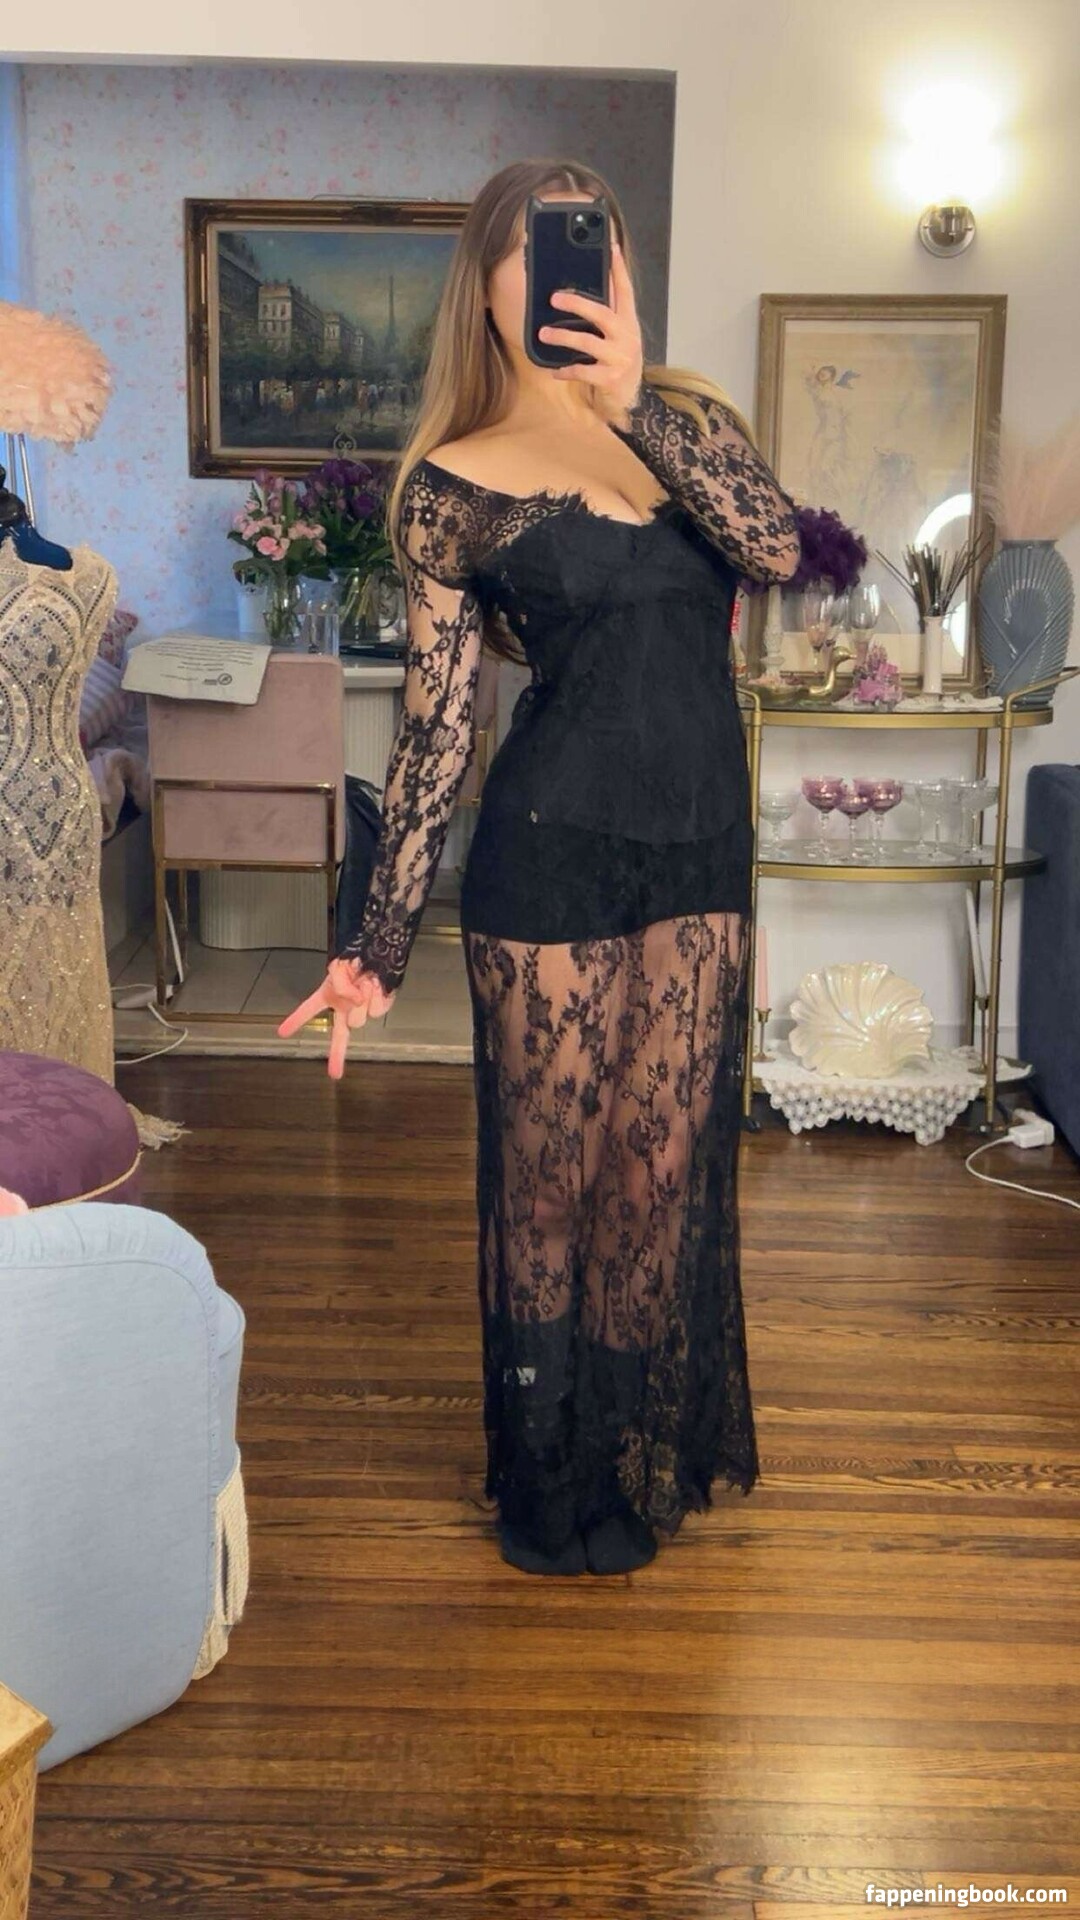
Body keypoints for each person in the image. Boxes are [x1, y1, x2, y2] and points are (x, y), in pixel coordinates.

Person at [278, 158, 801, 1580]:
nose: (581, 264)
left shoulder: (687, 425)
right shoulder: (451, 484)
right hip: (549, 858)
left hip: (700, 853)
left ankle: (626, 1456)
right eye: (544, 245)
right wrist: (373, 945)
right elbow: (438, 729)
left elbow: (777, 548)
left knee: (654, 1177)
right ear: (490, 286)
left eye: (599, 238)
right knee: (553, 1190)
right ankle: (545, 1474)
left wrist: (634, 403)